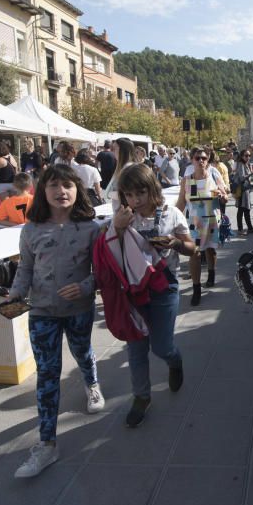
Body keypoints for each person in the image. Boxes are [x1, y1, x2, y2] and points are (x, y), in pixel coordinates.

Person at [9, 165, 104, 479]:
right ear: (42, 190)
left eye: (67, 185)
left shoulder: (91, 228)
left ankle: (92, 384)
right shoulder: (31, 229)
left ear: (77, 189)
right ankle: (47, 444)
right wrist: (16, 293)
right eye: (54, 185)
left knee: (82, 352)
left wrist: (86, 286)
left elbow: (102, 271)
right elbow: (25, 268)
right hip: (42, 313)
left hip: (79, 309)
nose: (61, 191)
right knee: (47, 375)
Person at [111, 164, 195, 427]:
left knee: (161, 345)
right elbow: (109, 248)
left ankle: (175, 360)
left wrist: (176, 243)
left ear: (152, 189)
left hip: (164, 287)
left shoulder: (172, 214)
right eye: (129, 195)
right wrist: (116, 227)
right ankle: (141, 397)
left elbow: (192, 249)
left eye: (140, 193)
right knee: (136, 346)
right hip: (133, 289)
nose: (135, 200)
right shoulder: (123, 216)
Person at [176, 146, 227, 305]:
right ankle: (196, 288)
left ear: (208, 160)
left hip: (212, 220)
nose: (201, 161)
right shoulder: (187, 179)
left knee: (211, 250)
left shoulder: (214, 174)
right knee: (195, 254)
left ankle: (211, 273)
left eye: (204, 158)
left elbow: (226, 195)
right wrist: (172, 220)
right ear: (192, 160)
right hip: (194, 224)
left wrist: (222, 195)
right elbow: (181, 202)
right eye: (197, 158)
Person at [103, 137, 137, 206]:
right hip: (122, 212)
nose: (112, 151)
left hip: (127, 212)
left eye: (114, 148)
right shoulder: (122, 167)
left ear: (123, 150)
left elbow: (130, 193)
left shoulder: (129, 169)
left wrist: (107, 194)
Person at [231, 149, 253, 235]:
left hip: (245, 189)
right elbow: (242, 178)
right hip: (242, 189)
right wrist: (251, 173)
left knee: (246, 209)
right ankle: (240, 229)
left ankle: (249, 227)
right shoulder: (241, 164)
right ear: (242, 156)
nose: (248, 157)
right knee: (242, 210)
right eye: (246, 155)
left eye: (249, 156)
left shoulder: (245, 164)